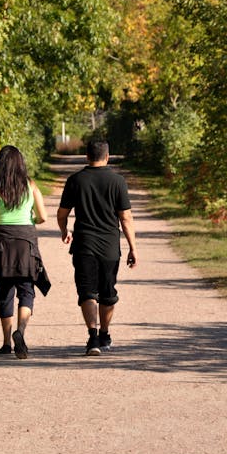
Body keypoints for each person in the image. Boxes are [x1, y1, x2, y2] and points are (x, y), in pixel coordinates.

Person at [57, 140, 138, 356]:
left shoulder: (75, 180)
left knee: (87, 292)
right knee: (108, 293)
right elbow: (126, 218)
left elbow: (62, 214)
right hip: (110, 247)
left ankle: (92, 337)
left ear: (86, 156)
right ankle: (104, 334)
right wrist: (133, 247)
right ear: (107, 156)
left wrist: (64, 231)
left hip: (84, 245)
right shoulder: (118, 181)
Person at [0, 145, 50, 359]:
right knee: (27, 291)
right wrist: (30, 221)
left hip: (0, 245)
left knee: (4, 293)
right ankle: (22, 331)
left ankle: (6, 343)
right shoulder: (31, 186)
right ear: (20, 164)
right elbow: (43, 216)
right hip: (26, 243)